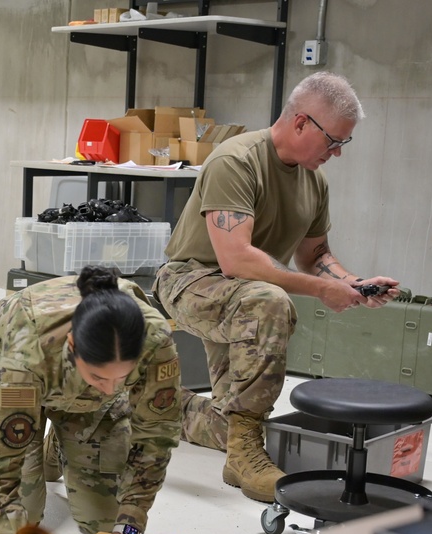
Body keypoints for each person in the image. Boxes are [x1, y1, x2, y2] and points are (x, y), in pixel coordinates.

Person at [153, 72, 399, 502]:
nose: (337, 153)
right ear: (302, 122)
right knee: (270, 301)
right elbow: (236, 259)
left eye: (345, 143)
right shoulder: (237, 161)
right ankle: (244, 456)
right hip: (192, 280)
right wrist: (321, 292)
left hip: (244, 297)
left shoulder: (314, 181)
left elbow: (315, 255)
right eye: (334, 141)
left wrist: (353, 284)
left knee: (222, 423)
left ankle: (148, 402)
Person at [0, 266, 182, 534]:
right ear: (72, 344)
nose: (112, 389)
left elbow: (155, 439)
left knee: (103, 524)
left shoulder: (155, 341)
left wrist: (128, 527)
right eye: (99, 377)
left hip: (85, 402)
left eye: (122, 379)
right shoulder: (26, 357)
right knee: (21, 519)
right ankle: (41, 438)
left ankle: (63, 442)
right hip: (3, 380)